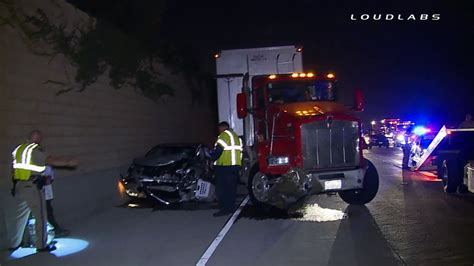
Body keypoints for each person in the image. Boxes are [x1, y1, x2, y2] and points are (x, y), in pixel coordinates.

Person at [9, 130, 78, 252]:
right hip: (32, 187)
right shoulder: (36, 150)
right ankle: (41, 245)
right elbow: (51, 160)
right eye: (40, 138)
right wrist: (68, 162)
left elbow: (14, 169)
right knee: (40, 216)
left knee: (19, 218)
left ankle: (14, 243)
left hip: (19, 185)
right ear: (38, 139)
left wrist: (15, 185)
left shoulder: (18, 150)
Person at [209, 122, 243, 217]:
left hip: (225, 167)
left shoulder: (224, 135)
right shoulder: (236, 137)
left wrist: (212, 160)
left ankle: (224, 209)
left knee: (222, 189)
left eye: (219, 128)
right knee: (231, 189)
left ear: (223, 127)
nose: (218, 130)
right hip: (235, 166)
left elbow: (219, 150)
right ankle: (231, 208)